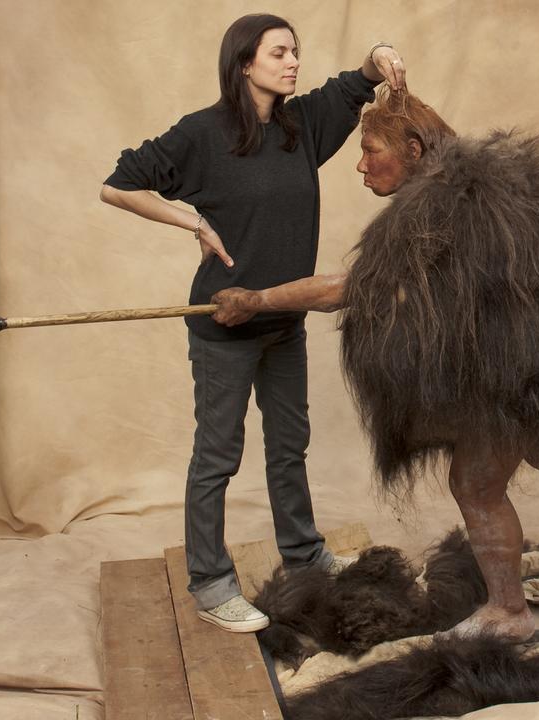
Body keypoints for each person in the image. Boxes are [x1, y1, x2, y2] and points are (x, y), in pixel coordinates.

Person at [211, 91, 539, 642]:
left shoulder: (446, 204)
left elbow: (347, 290)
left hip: (524, 365)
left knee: (475, 485)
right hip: (530, 361)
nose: (360, 164)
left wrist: (258, 300)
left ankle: (509, 613)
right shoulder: (471, 188)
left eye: (371, 149)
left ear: (411, 148)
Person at [100, 14, 406, 633]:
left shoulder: (303, 127)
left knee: (289, 446)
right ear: (244, 63)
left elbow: (355, 82)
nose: (292, 62)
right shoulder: (202, 135)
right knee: (217, 456)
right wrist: (193, 223)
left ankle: (304, 554)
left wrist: (380, 55)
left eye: (295, 52)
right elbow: (118, 185)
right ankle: (211, 583)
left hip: (283, 321)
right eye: (279, 53)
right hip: (223, 328)